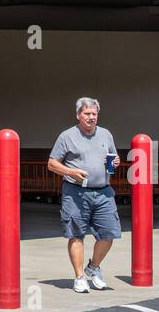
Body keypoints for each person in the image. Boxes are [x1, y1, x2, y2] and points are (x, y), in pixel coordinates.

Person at [47, 97, 121, 293]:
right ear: (78, 115)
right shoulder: (67, 136)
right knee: (76, 234)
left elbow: (112, 158)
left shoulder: (106, 134)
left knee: (109, 233)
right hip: (76, 192)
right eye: (87, 114)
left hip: (104, 191)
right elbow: (52, 163)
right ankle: (80, 277)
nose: (91, 117)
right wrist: (71, 172)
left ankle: (94, 267)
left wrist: (115, 163)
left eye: (94, 114)